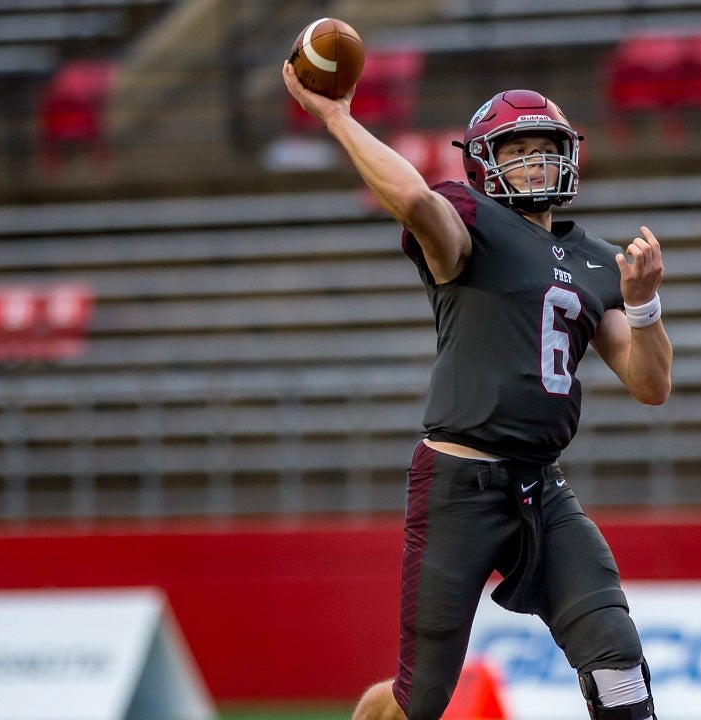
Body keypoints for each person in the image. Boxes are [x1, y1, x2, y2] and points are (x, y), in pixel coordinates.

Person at [283, 61, 672, 720]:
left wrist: (643, 306)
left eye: (546, 148)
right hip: (459, 485)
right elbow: (412, 202)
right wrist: (338, 118)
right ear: (484, 164)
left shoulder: (598, 260)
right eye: (517, 150)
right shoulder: (471, 224)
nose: (535, 162)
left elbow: (650, 383)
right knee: (422, 700)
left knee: (618, 660)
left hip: (541, 488)